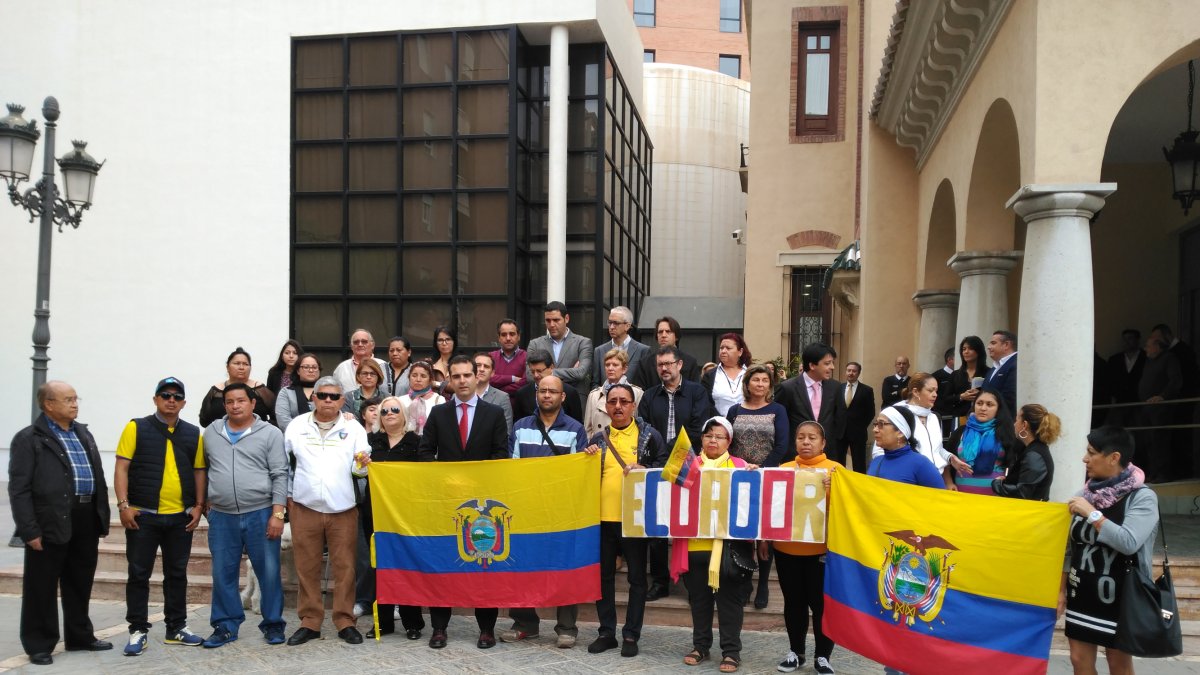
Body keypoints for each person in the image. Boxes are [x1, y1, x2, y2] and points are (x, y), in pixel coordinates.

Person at [9, 381, 112, 665]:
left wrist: (101, 517)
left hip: (85, 517)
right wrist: (29, 529)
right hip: (49, 519)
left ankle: (79, 635)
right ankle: (39, 643)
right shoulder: (29, 438)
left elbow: (98, 477)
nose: (74, 403)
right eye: (67, 399)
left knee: (80, 581)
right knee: (41, 585)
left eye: (76, 398)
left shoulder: (83, 433)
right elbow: (19, 489)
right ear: (48, 405)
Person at [417, 356, 510, 649]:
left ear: (478, 376)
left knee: (484, 565)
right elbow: (424, 452)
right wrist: (447, 480)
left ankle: (486, 630)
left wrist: (476, 481)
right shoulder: (439, 414)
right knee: (443, 565)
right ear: (450, 381)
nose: (462, 380)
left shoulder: (493, 413)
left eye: (467, 374)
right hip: (447, 502)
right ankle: (440, 628)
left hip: (482, 504)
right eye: (455, 376)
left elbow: (500, 456)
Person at [114, 377, 207, 655]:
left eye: (177, 397)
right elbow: (121, 468)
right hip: (143, 516)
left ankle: (176, 627)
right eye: (165, 395)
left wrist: (199, 505)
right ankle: (137, 630)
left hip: (180, 517)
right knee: (139, 573)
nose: (171, 400)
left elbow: (199, 470)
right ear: (155, 399)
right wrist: (123, 505)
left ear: (184, 403)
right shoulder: (137, 427)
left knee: (177, 574)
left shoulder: (193, 433)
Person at [500, 374, 589, 648]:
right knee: (523, 567)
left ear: (563, 397)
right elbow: (512, 468)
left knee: (564, 567)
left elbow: (579, 474)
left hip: (562, 512)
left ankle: (567, 627)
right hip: (526, 510)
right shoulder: (520, 426)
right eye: (542, 391)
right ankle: (525, 623)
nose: (547, 395)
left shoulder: (575, 430)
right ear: (536, 395)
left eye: (553, 391)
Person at [1062, 426, 1159, 675]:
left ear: (1114, 457)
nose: (1085, 459)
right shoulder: (1084, 494)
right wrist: (1061, 589)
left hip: (1122, 596)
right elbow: (1068, 547)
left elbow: (1128, 541)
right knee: (1078, 660)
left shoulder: (1143, 498)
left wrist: (1092, 514)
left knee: (1118, 664)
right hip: (1082, 590)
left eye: (1091, 453)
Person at [283, 377, 371, 647]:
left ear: (342, 400)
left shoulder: (353, 427)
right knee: (306, 567)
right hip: (304, 506)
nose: (328, 401)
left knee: (345, 568)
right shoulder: (297, 426)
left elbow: (361, 469)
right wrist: (287, 499)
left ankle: (345, 621)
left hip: (342, 508)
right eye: (323, 395)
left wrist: (362, 465)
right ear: (314, 398)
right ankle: (310, 622)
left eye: (334, 396)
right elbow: (285, 464)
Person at [584, 384, 669, 657]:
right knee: (603, 578)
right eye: (613, 402)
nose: (618, 406)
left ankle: (631, 635)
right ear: (606, 407)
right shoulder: (597, 439)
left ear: (633, 405)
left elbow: (667, 468)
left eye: (624, 401)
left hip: (635, 520)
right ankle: (606, 632)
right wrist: (586, 460)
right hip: (602, 519)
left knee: (637, 579)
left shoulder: (649, 436)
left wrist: (646, 468)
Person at [201, 382, 289, 648]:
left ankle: (273, 624)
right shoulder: (212, 433)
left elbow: (280, 474)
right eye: (230, 402)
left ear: (252, 404)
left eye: (241, 400)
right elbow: (203, 468)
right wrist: (205, 501)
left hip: (261, 513)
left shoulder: (270, 433)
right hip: (223, 516)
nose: (235, 406)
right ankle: (225, 625)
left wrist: (278, 513)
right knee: (222, 573)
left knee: (269, 572)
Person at [673, 417, 757, 674]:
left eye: (719, 436)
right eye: (708, 435)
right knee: (699, 601)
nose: (713, 440)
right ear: (702, 439)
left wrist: (757, 477)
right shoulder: (686, 465)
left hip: (728, 550)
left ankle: (731, 651)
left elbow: (753, 504)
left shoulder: (741, 466)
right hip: (694, 546)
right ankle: (700, 646)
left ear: (728, 441)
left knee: (730, 603)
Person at [640, 345, 716, 600]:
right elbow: (644, 428)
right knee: (659, 524)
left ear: (679, 365)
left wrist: (669, 449)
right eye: (660, 365)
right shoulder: (650, 396)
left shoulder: (697, 392)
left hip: (689, 463)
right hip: (657, 465)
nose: (664, 368)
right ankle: (660, 581)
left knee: (688, 520)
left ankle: (691, 581)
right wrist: (661, 453)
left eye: (668, 364)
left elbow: (698, 426)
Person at [767, 421, 840, 675]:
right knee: (793, 604)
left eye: (811, 438)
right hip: (787, 550)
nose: (805, 442)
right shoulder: (783, 469)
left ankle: (823, 656)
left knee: (821, 606)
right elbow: (772, 508)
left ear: (823, 443)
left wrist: (837, 492)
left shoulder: (837, 472)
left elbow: (851, 510)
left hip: (821, 552)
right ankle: (795, 652)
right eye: (800, 437)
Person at [725, 364, 788, 609]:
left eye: (765, 381)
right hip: (738, 476)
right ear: (747, 383)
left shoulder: (778, 410)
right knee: (743, 528)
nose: (760, 384)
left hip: (766, 476)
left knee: (763, 531)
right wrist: (738, 466)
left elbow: (782, 445)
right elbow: (727, 442)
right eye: (756, 380)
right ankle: (745, 581)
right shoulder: (734, 410)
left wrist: (761, 469)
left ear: (770, 386)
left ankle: (763, 583)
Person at [362, 396, 425, 640]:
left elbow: (423, 477)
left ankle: (413, 623)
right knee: (380, 566)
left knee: (406, 565)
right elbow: (357, 470)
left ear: (404, 415)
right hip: (375, 513)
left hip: (405, 514)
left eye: (394, 410)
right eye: (384, 411)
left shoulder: (416, 442)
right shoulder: (370, 442)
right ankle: (383, 622)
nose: (389, 414)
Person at [945, 388, 1017, 494]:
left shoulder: (1005, 433)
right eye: (979, 403)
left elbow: (1015, 464)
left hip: (995, 499)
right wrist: (949, 483)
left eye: (989, 404)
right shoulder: (960, 432)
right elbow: (946, 460)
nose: (983, 408)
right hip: (961, 498)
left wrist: (1008, 480)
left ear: (998, 409)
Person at [776, 343, 843, 451]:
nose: (832, 367)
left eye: (832, 363)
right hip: (796, 453)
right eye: (827, 363)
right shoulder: (787, 388)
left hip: (826, 454)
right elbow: (780, 423)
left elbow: (839, 420)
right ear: (812, 365)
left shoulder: (835, 387)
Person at [527, 301, 594, 404]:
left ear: (566, 318)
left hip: (573, 401)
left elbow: (581, 373)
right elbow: (529, 375)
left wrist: (550, 372)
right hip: (544, 401)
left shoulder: (583, 343)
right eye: (548, 320)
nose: (552, 324)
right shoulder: (535, 344)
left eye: (556, 320)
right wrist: (571, 372)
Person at [352, 396, 382, 618]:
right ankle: (363, 599)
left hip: (388, 504)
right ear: (363, 414)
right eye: (373, 409)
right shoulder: (355, 436)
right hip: (361, 501)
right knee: (364, 556)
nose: (378, 413)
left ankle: (392, 599)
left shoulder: (390, 440)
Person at [993, 403, 1061, 500]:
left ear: (1024, 425)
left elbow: (1022, 493)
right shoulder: (1035, 450)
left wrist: (997, 484)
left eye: (1017, 420)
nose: (1014, 424)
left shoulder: (1034, 455)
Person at [867, 406, 946, 489]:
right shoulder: (876, 461)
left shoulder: (921, 464)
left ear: (900, 432)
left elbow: (941, 498)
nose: (875, 430)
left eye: (881, 424)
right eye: (875, 424)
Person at [199, 347, 275, 427]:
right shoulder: (216, 390)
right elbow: (204, 420)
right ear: (227, 367)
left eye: (246, 364)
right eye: (237, 363)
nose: (241, 368)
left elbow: (276, 415)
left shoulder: (260, 389)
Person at [584, 348, 645, 437]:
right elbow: (587, 429)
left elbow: (640, 426)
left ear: (624, 369)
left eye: (615, 365)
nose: (610, 368)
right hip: (598, 447)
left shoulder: (637, 393)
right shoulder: (594, 395)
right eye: (607, 365)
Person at [513, 349, 584, 422]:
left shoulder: (570, 392)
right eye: (532, 371)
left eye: (539, 371)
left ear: (551, 367)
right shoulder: (522, 394)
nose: (536, 375)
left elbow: (577, 424)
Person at [633, 316, 702, 388]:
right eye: (660, 332)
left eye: (668, 331)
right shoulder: (645, 363)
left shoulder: (690, 362)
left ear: (676, 336)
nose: (663, 335)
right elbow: (639, 392)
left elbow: (696, 391)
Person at [593, 305, 652, 387]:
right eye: (610, 322)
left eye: (616, 323)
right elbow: (595, 382)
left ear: (627, 326)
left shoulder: (643, 350)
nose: (611, 327)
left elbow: (647, 383)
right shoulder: (599, 351)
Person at [834, 361, 875, 473]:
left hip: (858, 433)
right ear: (846, 372)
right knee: (838, 463)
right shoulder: (838, 389)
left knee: (859, 464)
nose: (851, 373)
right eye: (849, 370)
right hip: (840, 432)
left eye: (854, 371)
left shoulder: (867, 390)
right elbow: (834, 409)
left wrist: (860, 426)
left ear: (858, 373)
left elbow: (870, 412)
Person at [702, 333, 751, 417]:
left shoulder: (750, 373)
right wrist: (721, 422)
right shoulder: (710, 376)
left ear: (740, 352)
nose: (723, 351)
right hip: (719, 425)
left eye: (728, 348)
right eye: (721, 348)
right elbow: (705, 403)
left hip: (748, 423)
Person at [946, 336, 992, 422]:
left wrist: (981, 394)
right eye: (964, 349)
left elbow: (995, 395)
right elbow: (946, 399)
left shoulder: (989, 373)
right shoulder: (955, 374)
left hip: (982, 418)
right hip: (960, 417)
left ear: (978, 351)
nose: (966, 352)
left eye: (970, 349)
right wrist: (961, 396)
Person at [1105, 329, 1146, 426]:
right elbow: (1109, 381)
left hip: (1140, 402)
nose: (1126, 342)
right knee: (1119, 431)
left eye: (1130, 338)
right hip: (1120, 403)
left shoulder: (1146, 357)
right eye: (1124, 339)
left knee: (1140, 431)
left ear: (1137, 340)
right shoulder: (1114, 360)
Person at [275, 352, 321, 431]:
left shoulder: (326, 392)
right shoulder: (286, 392)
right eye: (306, 367)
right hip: (294, 437)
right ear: (298, 371)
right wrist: (305, 433)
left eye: (314, 367)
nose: (311, 370)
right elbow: (283, 421)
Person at [397, 360, 445, 436]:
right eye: (414, 375)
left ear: (430, 380)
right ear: (409, 377)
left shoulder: (439, 400)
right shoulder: (400, 401)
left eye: (423, 376)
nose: (418, 379)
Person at [333, 329, 387, 394]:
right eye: (356, 342)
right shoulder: (341, 368)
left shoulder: (383, 365)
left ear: (372, 345)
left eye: (364, 341)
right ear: (351, 346)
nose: (360, 344)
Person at [474, 351, 515, 433]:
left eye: (486, 366)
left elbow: (506, 432)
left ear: (492, 373)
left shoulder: (502, 397)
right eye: (478, 365)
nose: (481, 369)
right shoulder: (458, 395)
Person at [489, 318, 528, 399]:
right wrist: (512, 378)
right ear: (499, 338)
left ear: (519, 336)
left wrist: (496, 390)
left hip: (519, 408)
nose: (508, 338)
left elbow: (525, 383)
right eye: (503, 335)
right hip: (494, 406)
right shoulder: (490, 357)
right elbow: (488, 379)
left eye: (512, 334)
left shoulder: (527, 357)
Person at [986, 330, 1019, 413]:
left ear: (1006, 345)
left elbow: (1009, 397)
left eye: (993, 343)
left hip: (1003, 421)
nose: (988, 347)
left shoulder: (1016, 364)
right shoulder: (995, 367)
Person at [429, 325, 458, 392]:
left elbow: (458, 386)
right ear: (435, 343)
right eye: (440, 340)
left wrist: (436, 384)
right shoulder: (430, 363)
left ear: (454, 342)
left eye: (448, 339)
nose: (444, 343)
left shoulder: (462, 363)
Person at [932, 348, 956, 418]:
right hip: (940, 415)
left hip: (956, 414)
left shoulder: (960, 375)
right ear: (949, 359)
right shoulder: (935, 376)